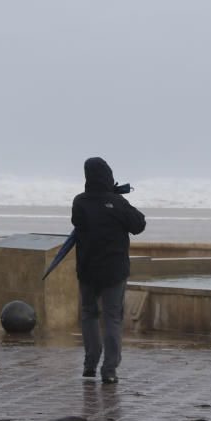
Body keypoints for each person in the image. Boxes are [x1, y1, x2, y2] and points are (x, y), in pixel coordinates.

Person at [71, 157, 146, 384]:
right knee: (113, 318)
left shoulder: (80, 202)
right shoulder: (118, 202)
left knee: (89, 314)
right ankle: (110, 370)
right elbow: (139, 224)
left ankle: (90, 364)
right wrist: (116, 198)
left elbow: (78, 223)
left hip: (87, 269)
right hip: (114, 270)